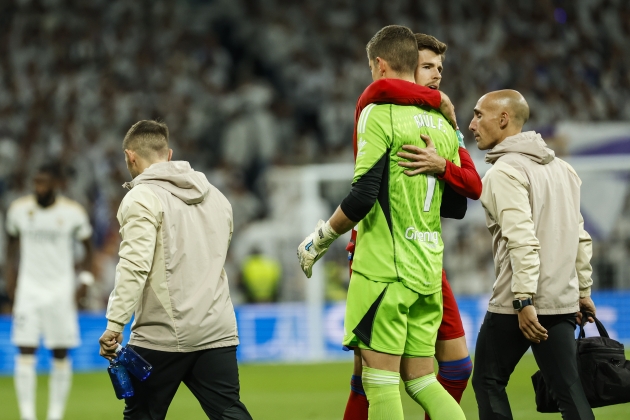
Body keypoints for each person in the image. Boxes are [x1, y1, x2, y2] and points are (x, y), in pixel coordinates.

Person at [297, 25, 465, 420]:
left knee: (380, 383)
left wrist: (319, 239)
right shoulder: (443, 125)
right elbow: (456, 205)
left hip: (384, 271)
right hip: (427, 271)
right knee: (424, 382)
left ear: (380, 64)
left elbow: (363, 194)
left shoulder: (378, 112)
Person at [343, 33, 481, 420]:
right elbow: (379, 85)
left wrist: (446, 153)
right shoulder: (382, 107)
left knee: (401, 376)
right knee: (370, 376)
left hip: (420, 257)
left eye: (440, 69)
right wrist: (439, 104)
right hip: (382, 251)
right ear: (405, 68)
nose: (437, 76)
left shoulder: (438, 124)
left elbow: (466, 194)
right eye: (427, 67)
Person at [98, 120, 252, 420]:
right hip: (215, 328)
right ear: (168, 155)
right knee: (229, 412)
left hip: (162, 333)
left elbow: (134, 266)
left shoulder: (141, 198)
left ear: (130, 156)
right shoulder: (217, 197)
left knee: (142, 414)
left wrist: (115, 323)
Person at [469, 90, 596, 420]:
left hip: (519, 304)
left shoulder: (503, 173)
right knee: (569, 390)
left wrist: (523, 300)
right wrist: (583, 291)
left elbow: (521, 241)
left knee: (487, 380)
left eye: (479, 115)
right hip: (561, 298)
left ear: (503, 119)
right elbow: (580, 235)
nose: (472, 124)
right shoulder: (564, 169)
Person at [5, 163, 95, 420]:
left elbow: (88, 247)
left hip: (60, 291)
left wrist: (85, 281)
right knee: (25, 349)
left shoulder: (72, 213)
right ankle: (27, 415)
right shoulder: (19, 210)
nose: (38, 188)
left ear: (57, 184)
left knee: (60, 352)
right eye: (36, 182)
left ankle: (55, 415)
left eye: (43, 183)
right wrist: (10, 279)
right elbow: (11, 245)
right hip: (29, 290)